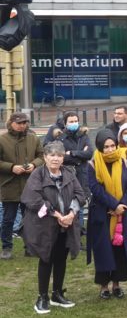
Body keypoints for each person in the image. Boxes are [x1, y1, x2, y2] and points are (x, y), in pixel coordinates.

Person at [21, 141, 85, 313]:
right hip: (45, 226)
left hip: (67, 225)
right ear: (45, 157)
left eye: (59, 155)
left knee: (61, 259)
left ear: (63, 158)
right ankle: (42, 297)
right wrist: (57, 215)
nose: (56, 159)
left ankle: (57, 293)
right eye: (52, 155)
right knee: (46, 259)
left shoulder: (69, 173)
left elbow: (80, 194)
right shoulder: (37, 175)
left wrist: (71, 214)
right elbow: (32, 199)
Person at [87, 129, 127, 299]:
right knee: (103, 250)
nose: (109, 149)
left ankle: (117, 283)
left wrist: (122, 205)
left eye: (112, 146)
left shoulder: (123, 161)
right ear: (100, 147)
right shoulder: (93, 163)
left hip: (121, 214)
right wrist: (114, 205)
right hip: (103, 213)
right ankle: (103, 286)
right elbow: (95, 189)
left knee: (119, 250)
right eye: (106, 146)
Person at [0, 112, 44, 259]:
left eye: (24, 122)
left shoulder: (33, 138)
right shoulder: (2, 140)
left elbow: (42, 156)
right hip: (9, 185)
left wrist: (34, 164)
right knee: (8, 219)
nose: (22, 125)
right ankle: (6, 248)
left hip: (30, 185)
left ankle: (30, 247)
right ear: (11, 123)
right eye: (19, 123)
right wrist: (11, 167)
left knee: (30, 219)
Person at [56, 112, 93, 234]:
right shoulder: (61, 138)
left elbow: (89, 154)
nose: (74, 123)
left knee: (80, 202)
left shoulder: (84, 136)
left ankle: (80, 230)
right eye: (71, 121)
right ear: (65, 123)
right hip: (67, 174)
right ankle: (71, 229)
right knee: (69, 203)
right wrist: (80, 154)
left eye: (75, 121)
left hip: (81, 174)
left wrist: (72, 153)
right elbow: (61, 157)